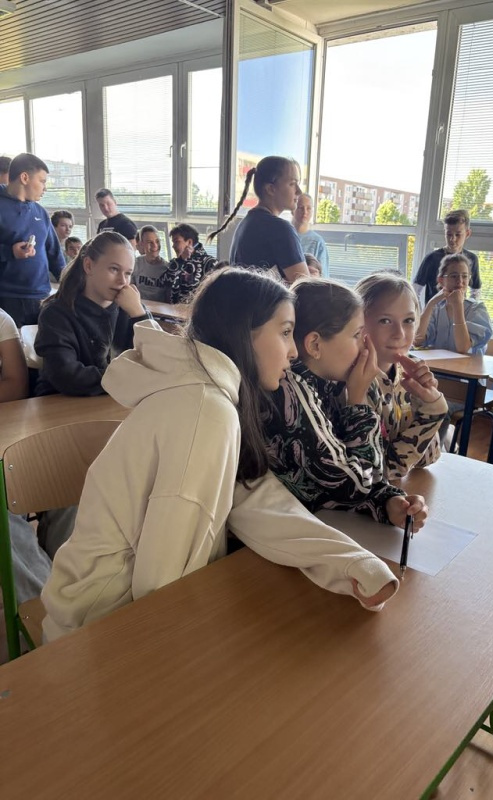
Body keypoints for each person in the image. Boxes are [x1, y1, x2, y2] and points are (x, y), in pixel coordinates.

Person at [41, 267, 399, 641]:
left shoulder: (216, 398)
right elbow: (163, 581)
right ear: (244, 334)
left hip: (130, 609)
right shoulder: (204, 411)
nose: (293, 351)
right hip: (99, 625)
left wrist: (350, 564)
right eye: (285, 332)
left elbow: (253, 498)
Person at [263, 277, 428, 529]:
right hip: (284, 533)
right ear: (315, 345)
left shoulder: (332, 383)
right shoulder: (291, 390)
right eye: (357, 335)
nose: (366, 346)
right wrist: (358, 402)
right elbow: (355, 484)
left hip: (325, 523)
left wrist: (388, 502)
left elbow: (367, 476)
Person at [34, 231, 154, 397]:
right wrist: (134, 378)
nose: (122, 281)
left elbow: (160, 362)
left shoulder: (133, 310)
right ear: (88, 266)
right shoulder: (56, 314)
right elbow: (67, 376)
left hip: (116, 400)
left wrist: (140, 315)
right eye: (114, 269)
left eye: (128, 273)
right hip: (62, 403)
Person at [356, 272, 448, 479]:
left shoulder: (405, 373)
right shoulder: (354, 383)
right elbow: (381, 471)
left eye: (408, 320)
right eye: (385, 321)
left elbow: (427, 458)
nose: (400, 333)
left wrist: (422, 401)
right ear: (358, 324)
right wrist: (433, 412)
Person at [0, 308, 52, 601]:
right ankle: (46, 605)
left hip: (10, 438)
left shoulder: (1, 320)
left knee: (73, 488)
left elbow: (16, 385)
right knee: (4, 514)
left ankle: (69, 591)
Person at [208, 156, 310, 283]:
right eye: (292, 184)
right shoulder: (280, 229)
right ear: (270, 189)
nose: (299, 191)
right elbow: (305, 288)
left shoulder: (245, 224)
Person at [0, 153, 65, 327]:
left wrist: (69, 282)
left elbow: (54, 254)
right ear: (24, 178)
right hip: (7, 299)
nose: (45, 188)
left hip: (41, 297)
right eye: (42, 181)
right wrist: (10, 252)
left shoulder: (40, 212)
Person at [415, 253, 492, 355]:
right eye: (454, 276)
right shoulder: (436, 308)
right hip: (441, 363)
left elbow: (463, 348)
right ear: (441, 280)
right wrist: (430, 304)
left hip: (468, 365)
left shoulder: (477, 309)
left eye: (464, 276)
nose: (460, 281)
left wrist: (457, 305)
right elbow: (417, 340)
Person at [413, 209, 482, 307]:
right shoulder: (431, 259)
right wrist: (423, 313)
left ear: (467, 233)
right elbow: (415, 291)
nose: (452, 239)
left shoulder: (471, 259)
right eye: (449, 234)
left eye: (458, 234)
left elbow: (475, 291)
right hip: (434, 313)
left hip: (458, 312)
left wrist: (469, 311)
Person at [163, 223, 218, 304]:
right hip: (172, 310)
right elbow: (165, 283)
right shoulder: (176, 263)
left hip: (198, 310)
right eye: (173, 242)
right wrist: (181, 260)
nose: (173, 246)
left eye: (176, 242)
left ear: (189, 242)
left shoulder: (210, 263)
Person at [292, 193, 330, 276]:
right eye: (301, 208)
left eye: (308, 208)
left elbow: (324, 276)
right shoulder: (284, 235)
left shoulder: (317, 242)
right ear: (293, 210)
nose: (305, 212)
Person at [131, 225, 169, 302]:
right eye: (149, 242)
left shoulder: (168, 268)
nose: (155, 246)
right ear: (141, 244)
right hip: (138, 305)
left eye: (157, 241)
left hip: (160, 308)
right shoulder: (135, 263)